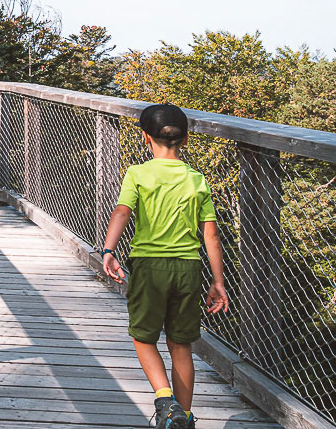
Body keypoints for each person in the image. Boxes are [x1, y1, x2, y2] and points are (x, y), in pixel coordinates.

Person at [100, 103, 229, 429]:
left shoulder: (138, 173)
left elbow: (122, 212)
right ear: (184, 140)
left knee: (143, 338)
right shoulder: (196, 179)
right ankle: (183, 418)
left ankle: (163, 399)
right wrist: (218, 282)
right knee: (181, 344)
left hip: (149, 267)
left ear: (146, 138)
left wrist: (108, 250)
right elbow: (210, 234)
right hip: (188, 269)